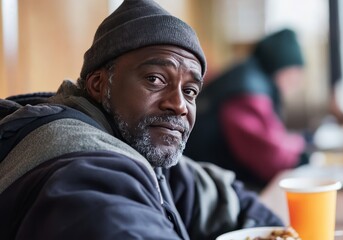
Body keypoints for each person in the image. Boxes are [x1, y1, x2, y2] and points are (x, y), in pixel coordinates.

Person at [0, 1, 284, 239]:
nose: (179, 105)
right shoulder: (82, 165)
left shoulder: (137, 143)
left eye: (190, 91)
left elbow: (226, 199)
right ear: (100, 85)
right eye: (155, 79)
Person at [184, 29, 309, 191]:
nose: (296, 82)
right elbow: (270, 159)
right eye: (295, 73)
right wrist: (304, 155)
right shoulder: (248, 93)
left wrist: (300, 143)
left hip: (212, 181)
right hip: (207, 187)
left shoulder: (249, 78)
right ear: (281, 66)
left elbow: (272, 137)